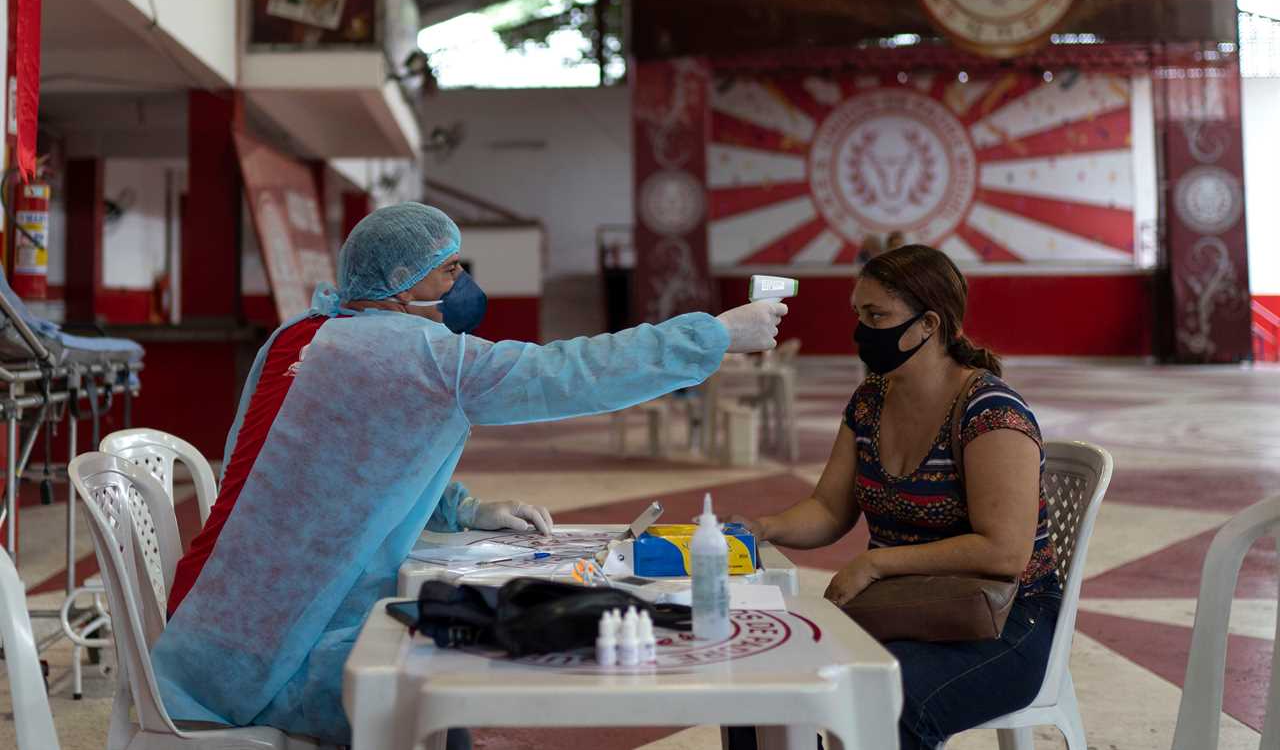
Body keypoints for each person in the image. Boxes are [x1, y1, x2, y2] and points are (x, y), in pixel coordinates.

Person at [152, 203, 787, 745]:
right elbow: (567, 372)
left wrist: (459, 509)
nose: (464, 282)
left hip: (204, 628)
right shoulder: (418, 353)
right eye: (450, 268)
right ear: (403, 281)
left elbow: (332, 465)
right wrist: (713, 335)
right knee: (443, 677)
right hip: (268, 660)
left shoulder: (300, 335)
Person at [732, 245, 1059, 749]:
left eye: (877, 315)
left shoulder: (990, 410)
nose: (862, 330)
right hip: (905, 609)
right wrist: (765, 527)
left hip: (1003, 621)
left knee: (890, 699)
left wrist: (877, 565)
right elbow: (827, 509)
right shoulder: (870, 401)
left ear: (928, 324)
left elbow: (1003, 551)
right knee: (758, 678)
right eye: (859, 314)